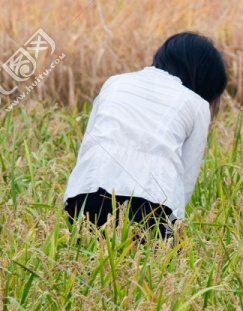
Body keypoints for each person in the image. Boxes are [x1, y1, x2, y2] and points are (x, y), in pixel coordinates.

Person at [64, 31, 227, 237]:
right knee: (157, 267)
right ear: (203, 78)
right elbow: (185, 180)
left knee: (88, 264)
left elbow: (89, 146)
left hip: (86, 194)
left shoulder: (114, 83)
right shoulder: (197, 104)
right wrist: (174, 229)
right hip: (152, 205)